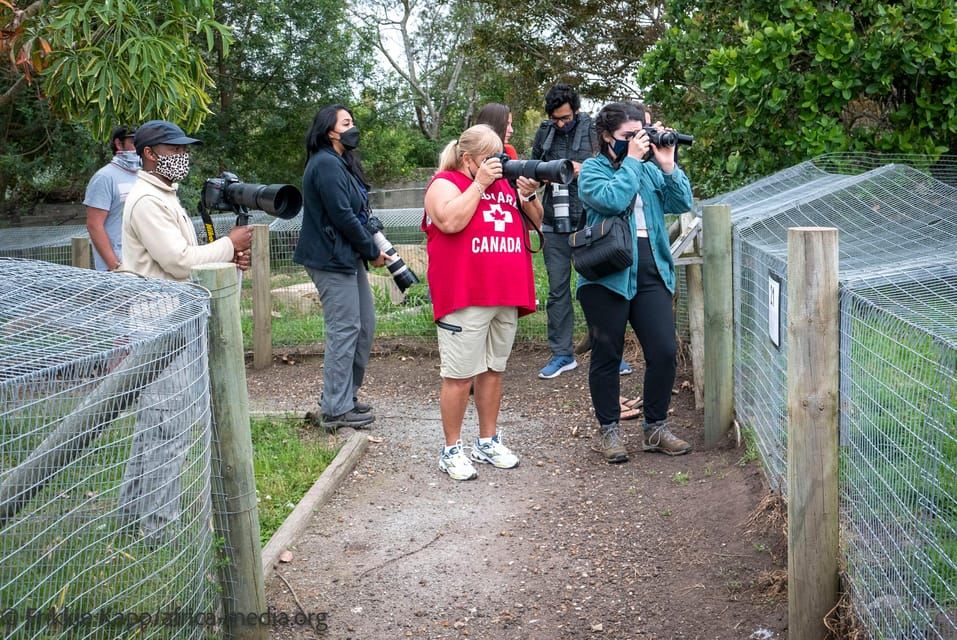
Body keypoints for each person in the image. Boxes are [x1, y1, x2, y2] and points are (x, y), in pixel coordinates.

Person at [120, 120, 253, 544]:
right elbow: (178, 261)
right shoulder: (145, 200)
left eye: (185, 148)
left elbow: (189, 259)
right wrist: (230, 244)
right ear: (148, 154)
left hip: (171, 318)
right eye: (171, 148)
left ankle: (131, 516)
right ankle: (158, 531)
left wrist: (226, 260)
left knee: (154, 425)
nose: (182, 156)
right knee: (168, 427)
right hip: (160, 322)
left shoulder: (164, 196)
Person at [422, 124, 543, 481]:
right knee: (459, 376)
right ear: (468, 159)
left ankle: (487, 441)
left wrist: (529, 195)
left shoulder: (504, 183)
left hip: (505, 292)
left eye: (499, 158)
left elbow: (541, 224)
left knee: (493, 370)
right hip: (465, 295)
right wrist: (480, 185)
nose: (497, 164)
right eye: (488, 159)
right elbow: (449, 222)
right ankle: (451, 450)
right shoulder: (444, 183)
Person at [577, 102, 694, 464]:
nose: (637, 142)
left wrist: (667, 162)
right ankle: (609, 430)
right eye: (629, 136)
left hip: (651, 271)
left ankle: (655, 427)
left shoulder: (648, 169)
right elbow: (611, 201)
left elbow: (681, 201)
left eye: (639, 134)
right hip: (606, 275)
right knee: (607, 354)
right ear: (607, 136)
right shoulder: (592, 171)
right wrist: (630, 160)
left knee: (662, 352)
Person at [530, 84, 636, 379]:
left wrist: (582, 169)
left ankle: (610, 355)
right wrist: (537, 177)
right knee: (558, 290)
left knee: (599, 289)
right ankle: (563, 354)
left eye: (565, 118)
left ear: (576, 111)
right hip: (555, 222)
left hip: (591, 223)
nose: (560, 124)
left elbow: (615, 167)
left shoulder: (594, 130)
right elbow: (534, 169)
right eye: (555, 119)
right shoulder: (544, 132)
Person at [295, 105, 387, 431]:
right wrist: (371, 250)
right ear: (329, 130)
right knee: (345, 329)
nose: (353, 127)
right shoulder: (324, 164)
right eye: (346, 123)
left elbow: (356, 211)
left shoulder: (341, 162)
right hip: (330, 259)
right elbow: (342, 216)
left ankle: (344, 396)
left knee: (364, 326)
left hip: (346, 257)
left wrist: (367, 248)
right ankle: (335, 408)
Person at [83, 125, 140, 271]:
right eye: (134, 142)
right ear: (118, 144)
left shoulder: (144, 175)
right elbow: (94, 225)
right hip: (117, 268)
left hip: (142, 263)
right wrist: (116, 267)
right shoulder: (104, 178)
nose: (139, 147)